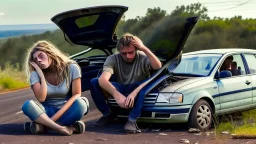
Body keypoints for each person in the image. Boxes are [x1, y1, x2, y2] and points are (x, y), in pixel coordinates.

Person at [90, 33, 162, 133]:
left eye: (131, 52)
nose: (128, 56)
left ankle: (132, 120)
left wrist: (143, 48)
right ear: (119, 51)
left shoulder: (142, 57)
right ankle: (107, 114)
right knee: (94, 82)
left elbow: (158, 67)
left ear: (136, 49)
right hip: (122, 86)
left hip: (139, 87)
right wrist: (117, 95)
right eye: (123, 53)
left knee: (142, 88)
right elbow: (103, 80)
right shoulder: (113, 58)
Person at [22, 40, 89, 136]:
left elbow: (77, 94)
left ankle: (44, 126)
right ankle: (66, 127)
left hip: (66, 110)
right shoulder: (35, 74)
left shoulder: (72, 67)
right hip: (45, 112)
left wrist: (52, 119)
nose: (39, 60)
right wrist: (41, 74)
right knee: (27, 105)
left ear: (50, 53)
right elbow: (41, 98)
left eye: (41, 56)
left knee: (82, 103)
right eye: (36, 60)